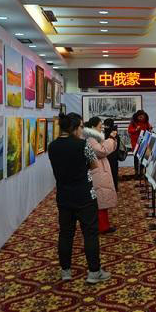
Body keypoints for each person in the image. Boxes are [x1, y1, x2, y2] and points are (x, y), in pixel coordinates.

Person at [48, 112, 110, 284]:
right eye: (82, 127)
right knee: (90, 233)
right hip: (85, 195)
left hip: (64, 196)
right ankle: (94, 272)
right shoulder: (83, 145)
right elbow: (94, 165)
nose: (83, 130)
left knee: (66, 234)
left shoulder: (52, 146)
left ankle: (65, 271)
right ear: (74, 128)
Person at [84, 117, 118, 234]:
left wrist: (109, 140)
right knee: (100, 199)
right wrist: (111, 138)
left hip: (99, 170)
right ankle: (101, 227)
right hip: (97, 172)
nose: (102, 128)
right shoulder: (90, 139)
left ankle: (103, 225)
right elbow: (102, 151)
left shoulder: (93, 137)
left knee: (102, 200)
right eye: (100, 126)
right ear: (93, 127)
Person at [128, 110, 152, 178]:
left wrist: (150, 128)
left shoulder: (146, 122)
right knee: (136, 158)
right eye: (140, 117)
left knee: (142, 159)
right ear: (137, 116)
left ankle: (141, 172)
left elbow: (148, 130)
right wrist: (136, 129)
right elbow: (129, 130)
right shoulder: (133, 123)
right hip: (135, 144)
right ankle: (136, 173)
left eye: (142, 117)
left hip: (143, 143)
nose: (141, 118)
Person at [104, 118, 120, 192]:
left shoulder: (112, 133)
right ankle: (114, 187)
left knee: (112, 172)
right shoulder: (115, 132)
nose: (105, 127)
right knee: (113, 172)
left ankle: (114, 187)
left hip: (111, 156)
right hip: (113, 156)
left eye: (106, 125)